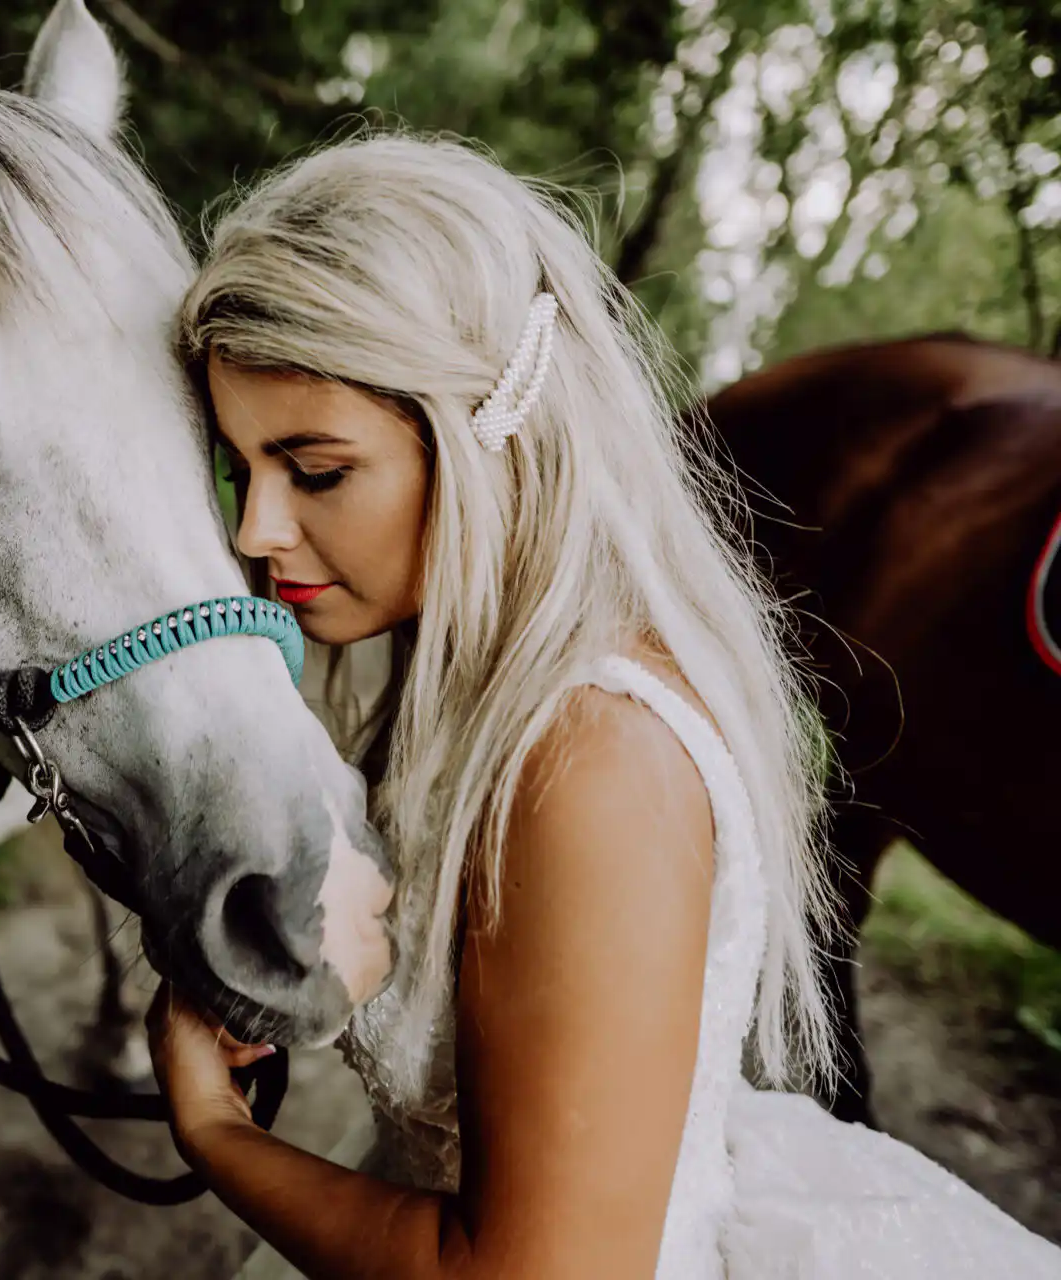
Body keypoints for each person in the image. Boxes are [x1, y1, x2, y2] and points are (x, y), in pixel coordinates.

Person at [146, 132, 1061, 1279]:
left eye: (316, 470)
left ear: (489, 438)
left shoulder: (589, 759)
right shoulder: (488, 688)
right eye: (243, 469)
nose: (256, 531)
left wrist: (214, 1131)